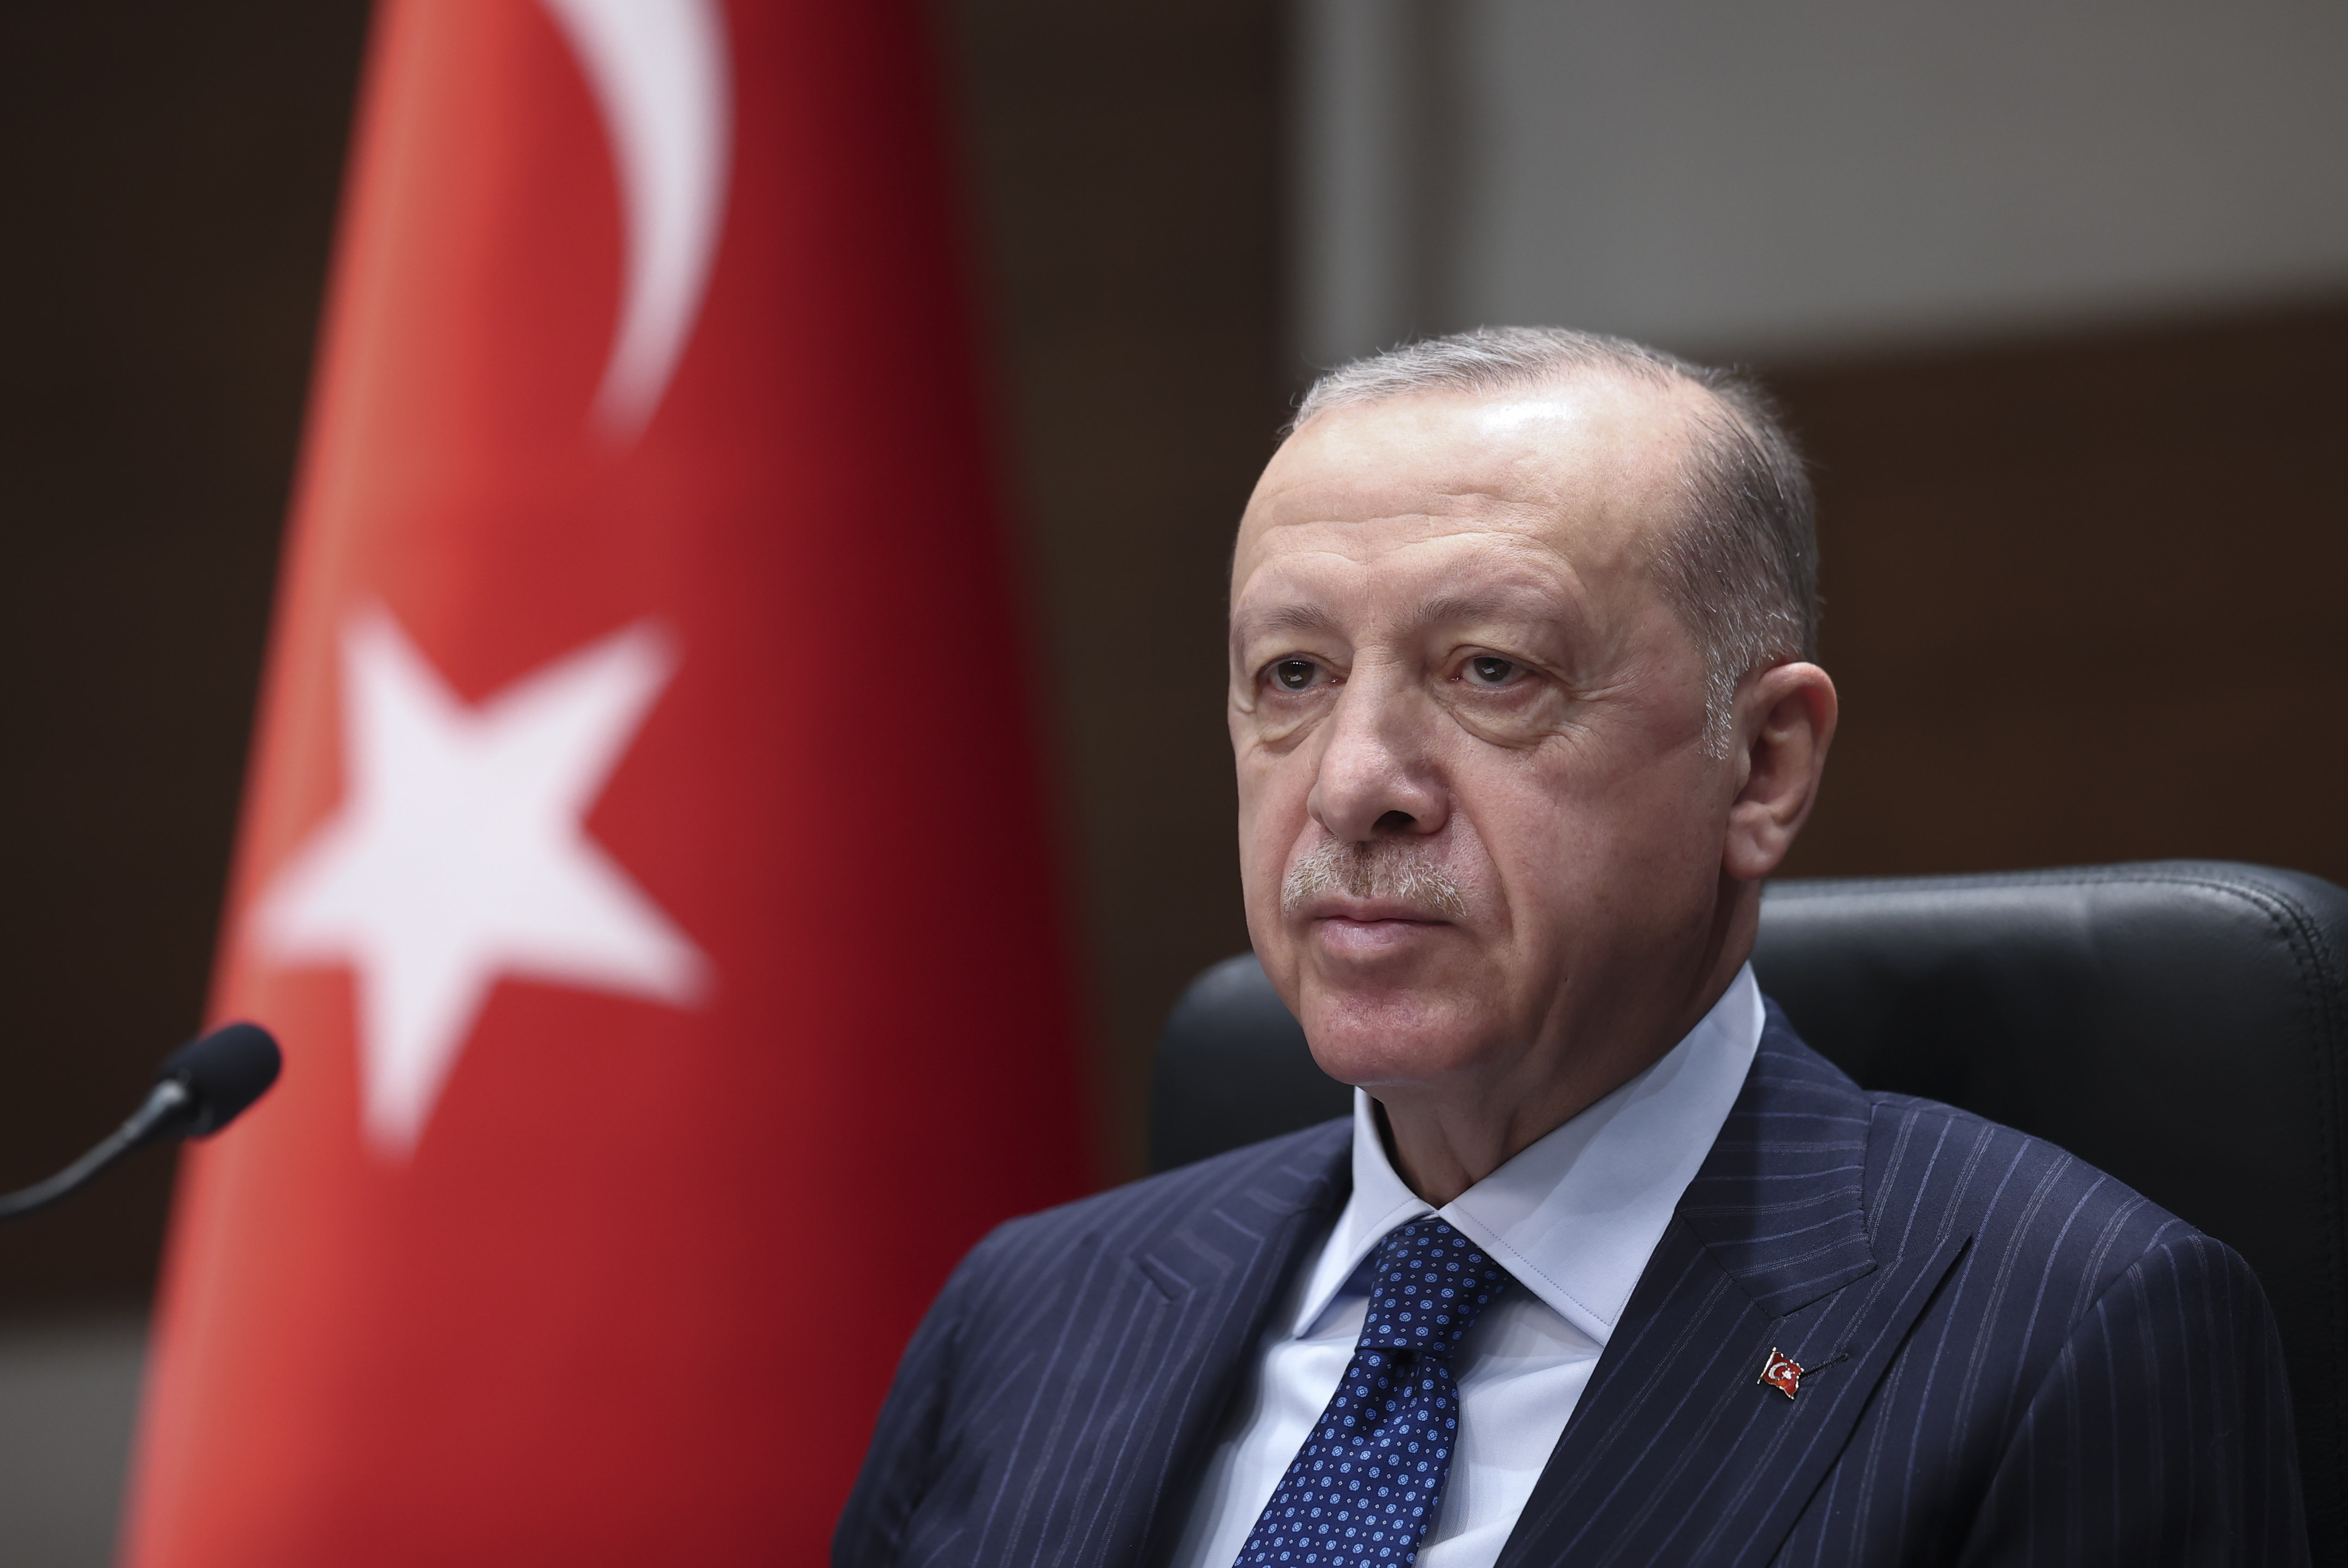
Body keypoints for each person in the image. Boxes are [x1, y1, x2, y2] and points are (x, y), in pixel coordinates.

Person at [833, 328, 2307, 1566]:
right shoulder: (1027, 1317)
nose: (1352, 782)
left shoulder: (2064, 1330)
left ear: (1763, 765)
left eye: (1490, 670)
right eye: (1292, 674)